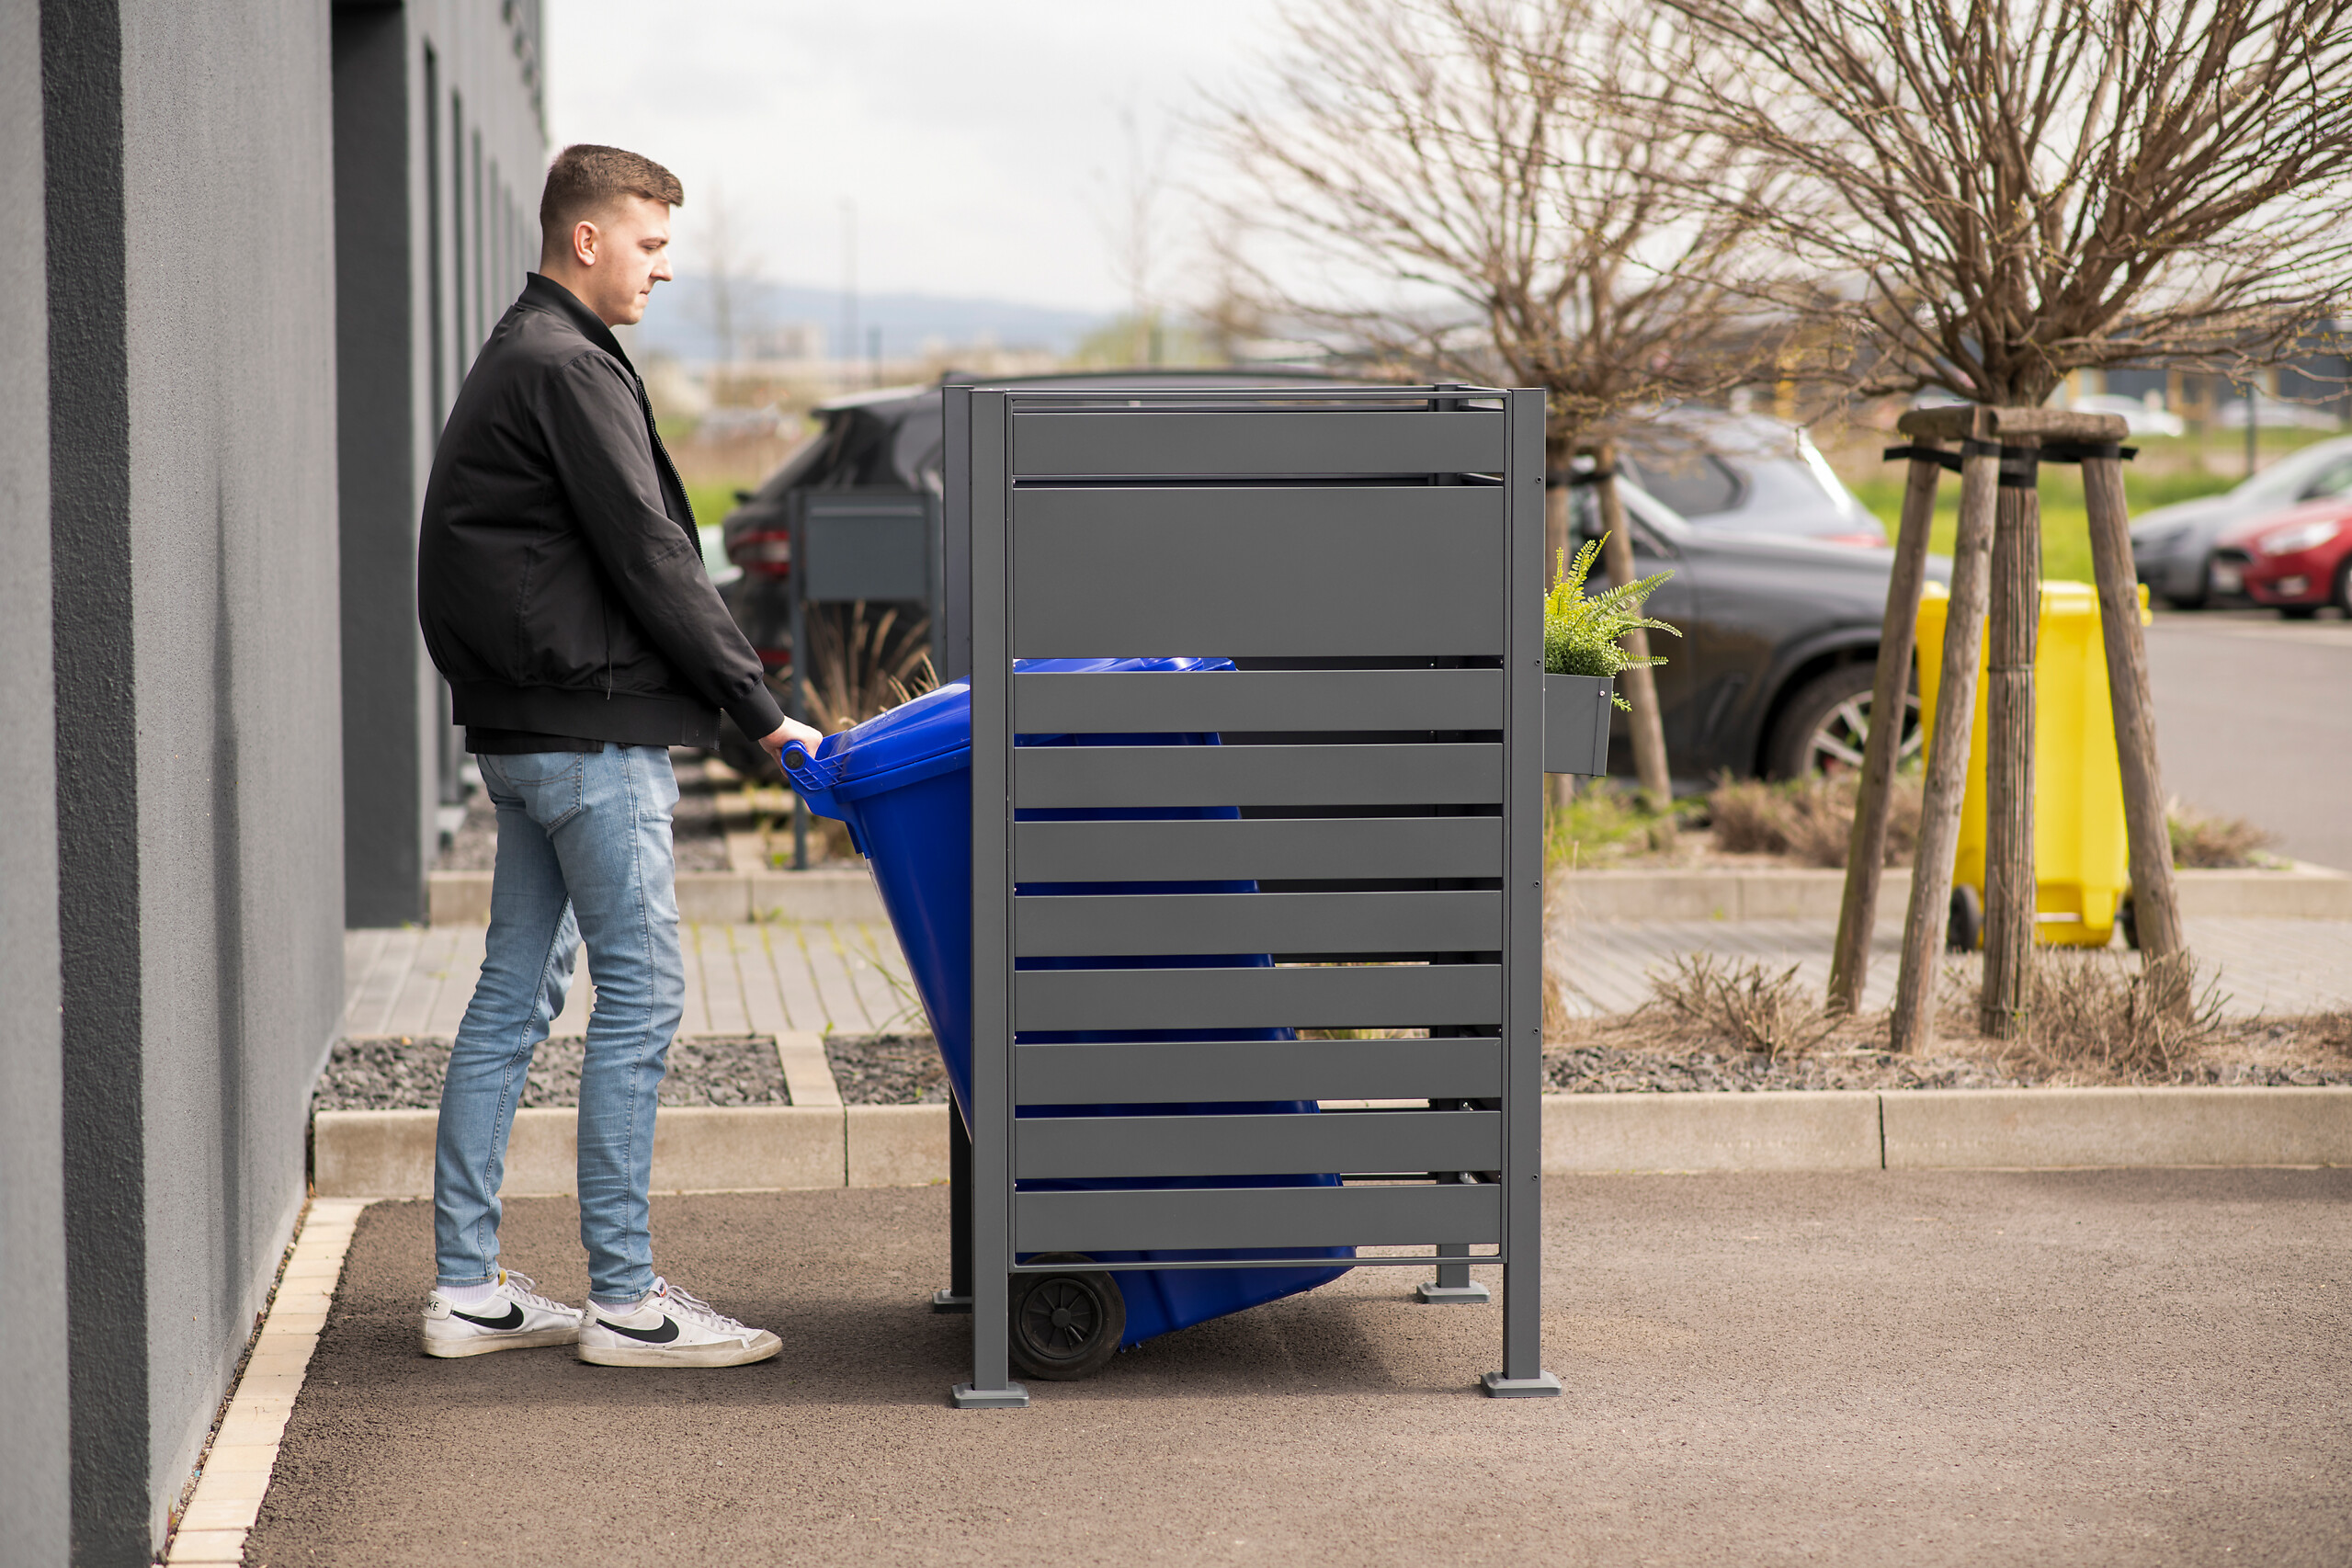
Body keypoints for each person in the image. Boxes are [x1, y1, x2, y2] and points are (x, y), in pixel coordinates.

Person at [415, 143, 822, 1368]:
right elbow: (656, 558)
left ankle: (468, 1287)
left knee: (514, 994)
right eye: (649, 244)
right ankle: (631, 1301)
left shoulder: (520, 353)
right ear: (585, 239)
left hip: (531, 729)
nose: (665, 267)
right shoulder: (567, 367)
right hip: (591, 736)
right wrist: (765, 712)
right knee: (640, 996)